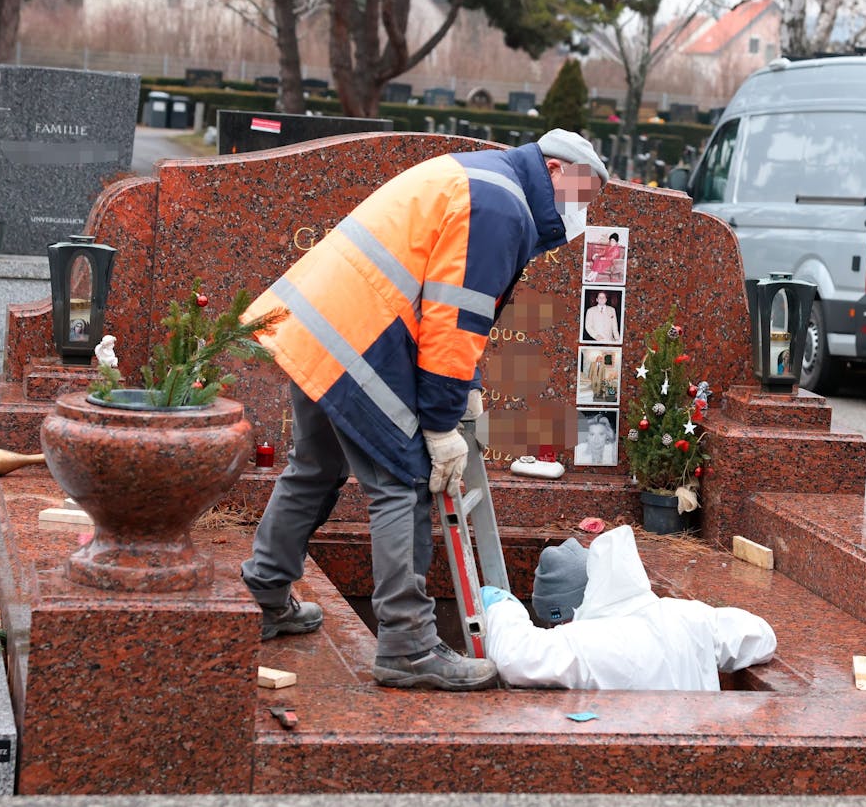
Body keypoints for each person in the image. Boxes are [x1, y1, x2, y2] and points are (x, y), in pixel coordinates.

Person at [240, 129, 608, 692]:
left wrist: (469, 389)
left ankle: (263, 597)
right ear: (556, 172)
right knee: (402, 481)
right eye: (582, 194)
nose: (582, 211)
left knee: (313, 467)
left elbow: (454, 299)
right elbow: (453, 320)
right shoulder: (501, 207)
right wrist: (439, 426)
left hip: (319, 325)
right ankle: (409, 646)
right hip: (362, 341)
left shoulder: (483, 180)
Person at [480, 526, 777, 690]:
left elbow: (514, 658)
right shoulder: (687, 615)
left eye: (555, 623)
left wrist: (501, 606)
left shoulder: (586, 643)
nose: (556, 631)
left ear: (571, 612)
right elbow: (762, 638)